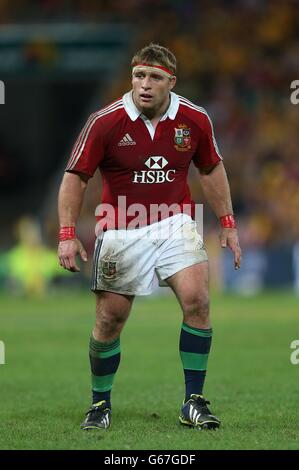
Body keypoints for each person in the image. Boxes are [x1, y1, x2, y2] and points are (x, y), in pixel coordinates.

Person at [57, 43, 241, 431]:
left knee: (198, 299)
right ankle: (99, 403)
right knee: (110, 318)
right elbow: (75, 178)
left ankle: (193, 401)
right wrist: (67, 234)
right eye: (139, 76)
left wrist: (228, 223)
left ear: (170, 82)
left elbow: (210, 170)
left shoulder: (194, 119)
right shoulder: (105, 121)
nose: (145, 85)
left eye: (155, 78)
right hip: (121, 227)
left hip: (175, 222)